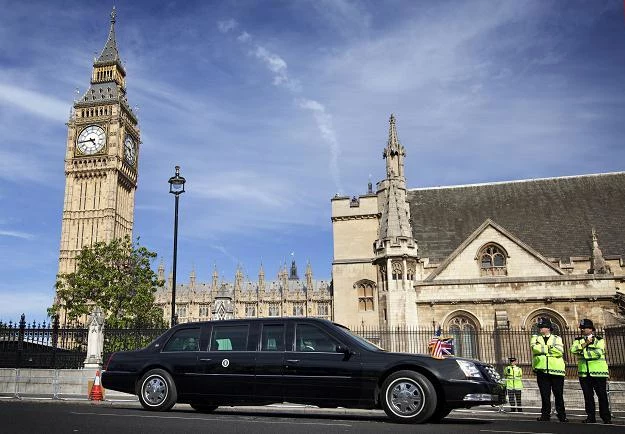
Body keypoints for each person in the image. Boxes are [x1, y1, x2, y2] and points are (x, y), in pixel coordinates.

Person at [570, 318, 612, 424]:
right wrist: (586, 344)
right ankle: (590, 417)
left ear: (591, 329)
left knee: (602, 395)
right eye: (581, 328)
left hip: (598, 372)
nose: (582, 330)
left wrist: (582, 353)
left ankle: (606, 417)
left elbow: (598, 353)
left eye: (584, 328)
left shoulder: (599, 339)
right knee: (588, 396)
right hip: (584, 372)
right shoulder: (578, 340)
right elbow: (573, 350)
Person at [530, 318, 567, 422]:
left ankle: (562, 415)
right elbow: (534, 349)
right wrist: (550, 348)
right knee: (545, 395)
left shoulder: (557, 338)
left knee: (558, 394)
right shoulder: (535, 338)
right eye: (539, 327)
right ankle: (545, 415)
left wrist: (543, 348)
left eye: (542, 327)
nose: (540, 329)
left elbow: (559, 352)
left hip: (556, 371)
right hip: (541, 370)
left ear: (548, 328)